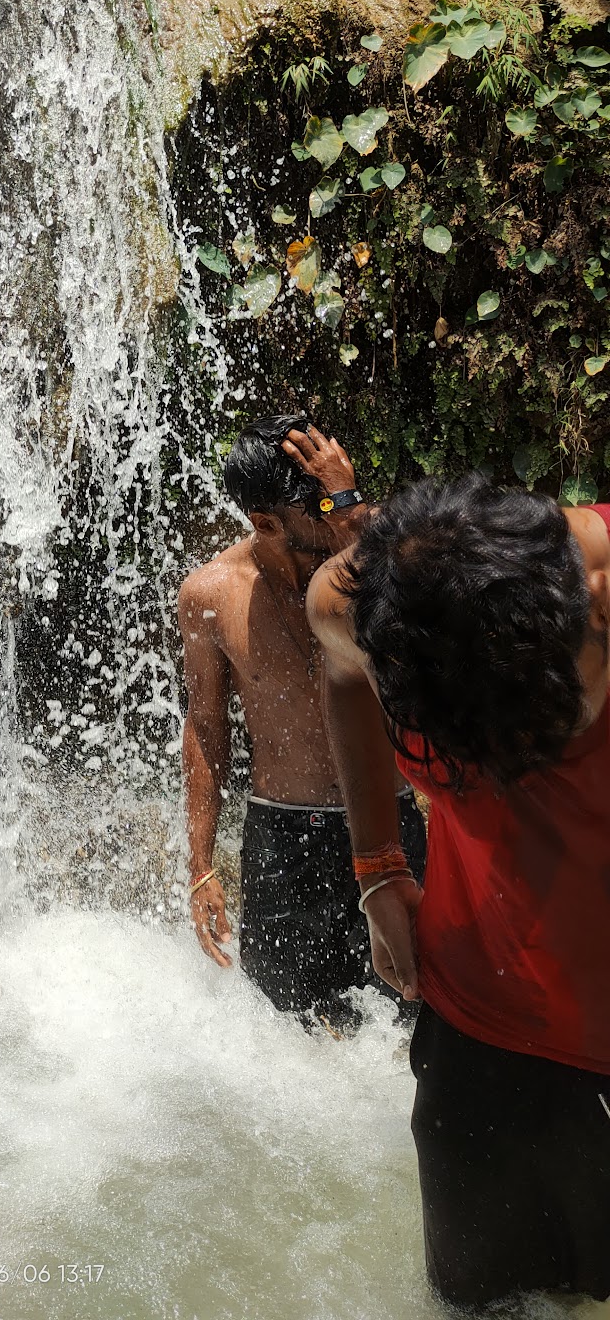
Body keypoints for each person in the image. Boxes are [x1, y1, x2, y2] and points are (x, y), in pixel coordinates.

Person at [309, 475, 610, 1307]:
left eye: (535, 732)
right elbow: (341, 668)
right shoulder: (377, 603)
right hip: (482, 1031)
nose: (512, 765)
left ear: (599, 604)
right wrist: (377, 867)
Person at [178, 414, 425, 1022]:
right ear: (264, 522)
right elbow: (207, 730)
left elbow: (421, 591)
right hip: (283, 844)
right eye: (318, 515)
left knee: (420, 1022)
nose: (333, 526)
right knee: (288, 1039)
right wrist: (201, 865)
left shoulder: (365, 565)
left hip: (390, 826)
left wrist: (348, 505)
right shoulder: (210, 596)